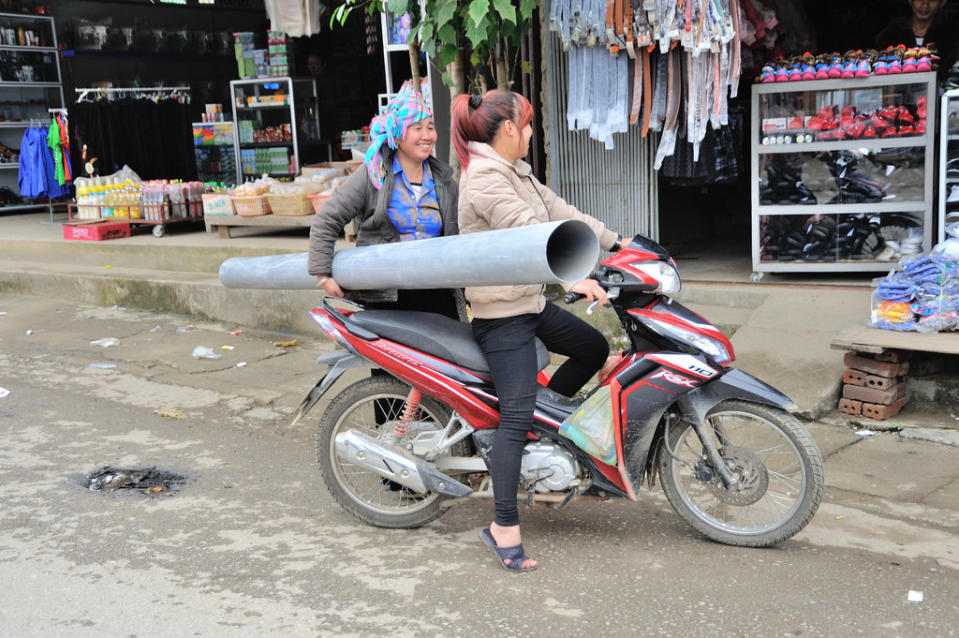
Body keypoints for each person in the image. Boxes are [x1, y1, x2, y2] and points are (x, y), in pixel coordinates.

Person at [451, 90, 622, 572]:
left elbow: (560, 210)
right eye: (527, 124)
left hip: (528, 303)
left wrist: (619, 242)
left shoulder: (516, 172)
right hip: (500, 316)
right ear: (508, 128)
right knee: (516, 416)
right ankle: (503, 525)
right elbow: (530, 231)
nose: (530, 132)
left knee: (592, 348)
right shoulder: (484, 178)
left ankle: (549, 433)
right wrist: (574, 278)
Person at [308, 91, 464, 320]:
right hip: (388, 298)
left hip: (438, 297)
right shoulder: (373, 175)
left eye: (430, 127)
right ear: (397, 136)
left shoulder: (445, 182)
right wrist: (323, 275)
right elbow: (326, 219)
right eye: (417, 127)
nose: (427, 135)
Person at [876, 0, 959, 71]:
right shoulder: (892, 33)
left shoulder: (950, 35)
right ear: (910, 1)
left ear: (942, 3)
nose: (925, 4)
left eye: (932, 0)